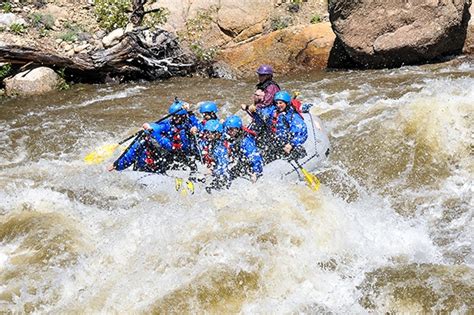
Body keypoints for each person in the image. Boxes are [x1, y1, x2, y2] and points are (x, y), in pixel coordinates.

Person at [250, 90, 308, 162]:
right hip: (275, 143)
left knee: (297, 152)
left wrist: (291, 144)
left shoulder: (292, 116)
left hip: (287, 144)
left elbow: (301, 131)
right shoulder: (273, 111)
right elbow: (262, 116)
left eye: (281, 103)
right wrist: (255, 111)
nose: (278, 105)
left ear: (286, 103)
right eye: (276, 103)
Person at [223, 115, 263, 182]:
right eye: (228, 129)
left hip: (249, 167)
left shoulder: (245, 141)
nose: (229, 132)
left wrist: (256, 173)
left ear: (238, 129)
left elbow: (255, 158)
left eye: (231, 130)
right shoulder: (233, 138)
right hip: (240, 164)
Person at [197, 119, 230, 192]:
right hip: (213, 171)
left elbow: (223, 167)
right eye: (206, 132)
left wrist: (211, 171)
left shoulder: (221, 148)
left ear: (218, 134)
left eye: (210, 133)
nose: (208, 135)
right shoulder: (210, 141)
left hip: (223, 177)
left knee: (208, 189)